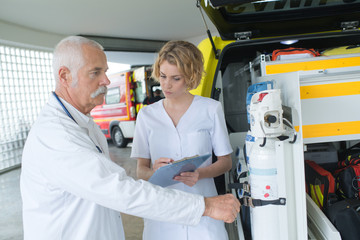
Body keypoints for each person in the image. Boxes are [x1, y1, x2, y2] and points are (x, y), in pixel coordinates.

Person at [20, 36, 240, 240]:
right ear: (64, 76)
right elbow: (120, 190)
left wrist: (200, 181)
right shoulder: (57, 136)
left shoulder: (87, 125)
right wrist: (206, 207)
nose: (106, 80)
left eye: (105, 71)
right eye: (95, 72)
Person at [131, 40, 234, 240]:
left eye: (175, 78)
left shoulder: (210, 109)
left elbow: (225, 162)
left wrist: (200, 173)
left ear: (190, 77)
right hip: (162, 216)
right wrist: (154, 171)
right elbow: (140, 171)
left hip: (204, 215)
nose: (166, 85)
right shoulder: (146, 115)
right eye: (162, 76)